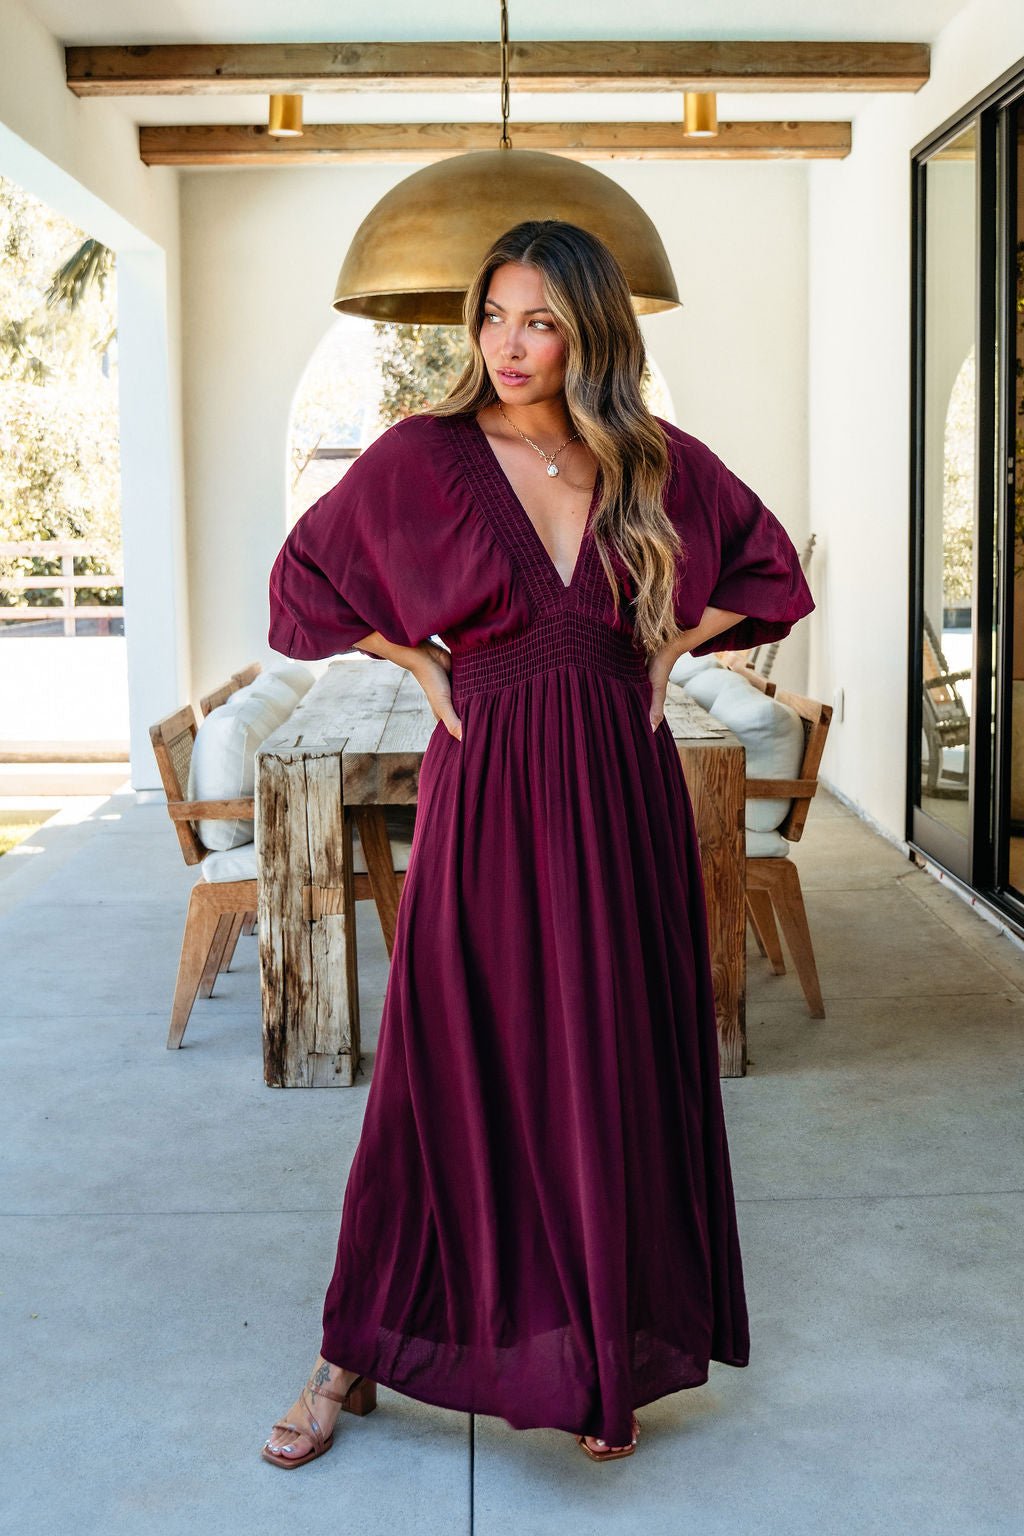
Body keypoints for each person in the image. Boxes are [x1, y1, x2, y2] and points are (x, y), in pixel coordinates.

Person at [262, 219, 815, 1467]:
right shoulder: (424, 455)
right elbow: (306, 580)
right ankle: (347, 1350)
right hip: (493, 775)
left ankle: (597, 1356)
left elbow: (769, 568)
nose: (509, 347)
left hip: (622, 785)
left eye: (540, 322)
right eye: (494, 317)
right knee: (446, 1057)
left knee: (609, 1056)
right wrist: (414, 659)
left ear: (588, 334)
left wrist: (669, 646)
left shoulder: (650, 460)